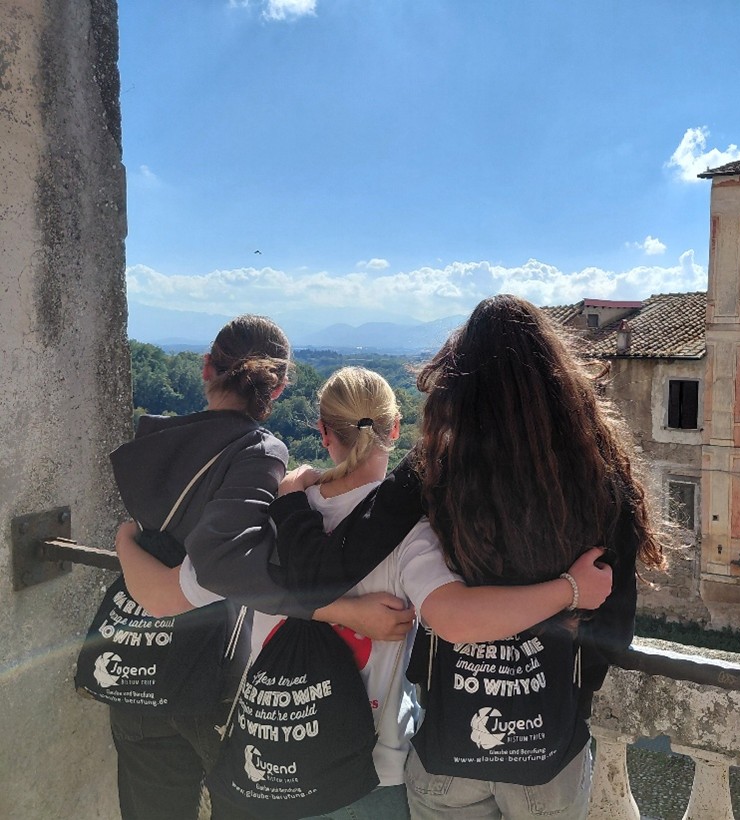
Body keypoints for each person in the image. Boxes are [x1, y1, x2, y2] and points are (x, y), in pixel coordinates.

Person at [118, 362, 613, 820]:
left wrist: (124, 540)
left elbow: (167, 596)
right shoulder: (413, 534)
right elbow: (456, 617)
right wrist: (571, 588)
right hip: (371, 772)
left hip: (267, 759)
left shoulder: (271, 513)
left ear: (323, 432)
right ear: (395, 430)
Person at [272, 294, 664, 819]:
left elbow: (324, 569)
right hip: (547, 751)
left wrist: (294, 502)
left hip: (449, 742)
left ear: (458, 388)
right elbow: (612, 638)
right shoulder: (601, 478)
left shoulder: (434, 470)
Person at [110, 315, 411, 820]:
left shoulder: (151, 444)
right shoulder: (259, 451)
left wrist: (123, 542)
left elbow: (157, 579)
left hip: (134, 665)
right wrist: (342, 611)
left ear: (206, 368)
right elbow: (206, 578)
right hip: (207, 683)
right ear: (279, 387)